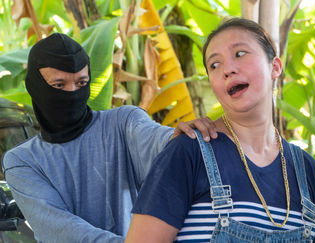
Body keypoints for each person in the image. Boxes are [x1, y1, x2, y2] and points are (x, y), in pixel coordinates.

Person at [125, 18, 315, 242]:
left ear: (275, 67)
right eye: (214, 65)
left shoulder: (305, 170)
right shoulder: (189, 151)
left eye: (240, 54)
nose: (227, 70)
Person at [1, 33, 217, 243]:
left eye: (81, 83)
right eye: (59, 85)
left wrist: (181, 136)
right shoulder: (22, 161)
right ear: (35, 86)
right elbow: (61, 230)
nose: (72, 93)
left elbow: (158, 142)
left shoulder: (123, 122)